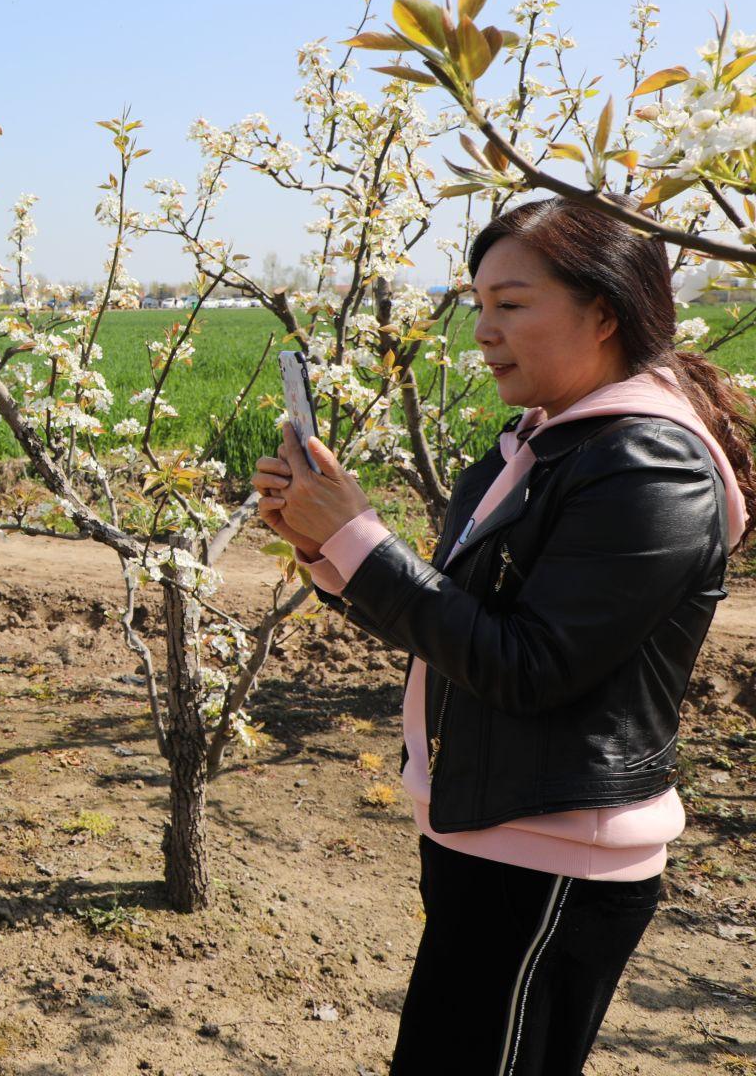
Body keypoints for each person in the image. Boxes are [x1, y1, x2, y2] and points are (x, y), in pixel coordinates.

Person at [253, 199, 751, 1075]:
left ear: (605, 313)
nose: (483, 332)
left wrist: (359, 536)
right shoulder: (542, 446)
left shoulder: (647, 462)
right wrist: (326, 544)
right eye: (478, 304)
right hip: (489, 830)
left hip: (556, 856)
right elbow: (462, 626)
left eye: (512, 305)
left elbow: (530, 667)